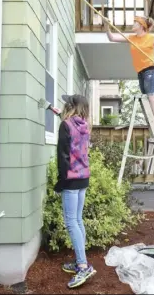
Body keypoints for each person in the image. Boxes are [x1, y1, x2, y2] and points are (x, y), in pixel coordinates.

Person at [54, 94, 96, 289]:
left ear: (69, 106)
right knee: (78, 220)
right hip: (83, 178)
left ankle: (82, 265)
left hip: (70, 180)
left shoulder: (65, 126)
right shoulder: (84, 125)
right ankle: (82, 260)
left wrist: (60, 182)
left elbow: (63, 157)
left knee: (71, 222)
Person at [106, 15, 154, 140]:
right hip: (140, 73)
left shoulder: (151, 38)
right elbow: (112, 38)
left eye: (135, 23)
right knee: (147, 103)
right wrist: (107, 26)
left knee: (152, 101)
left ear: (141, 26)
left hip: (150, 71)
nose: (132, 25)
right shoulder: (132, 38)